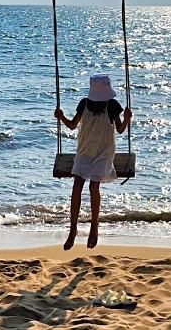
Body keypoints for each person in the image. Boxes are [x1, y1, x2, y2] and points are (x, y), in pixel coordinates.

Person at [55, 73, 132, 250]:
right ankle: (73, 229)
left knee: (93, 186)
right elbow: (73, 125)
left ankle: (94, 227)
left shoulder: (112, 105)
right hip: (85, 151)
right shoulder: (84, 104)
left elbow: (120, 130)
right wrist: (61, 117)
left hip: (104, 152)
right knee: (77, 185)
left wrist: (126, 119)